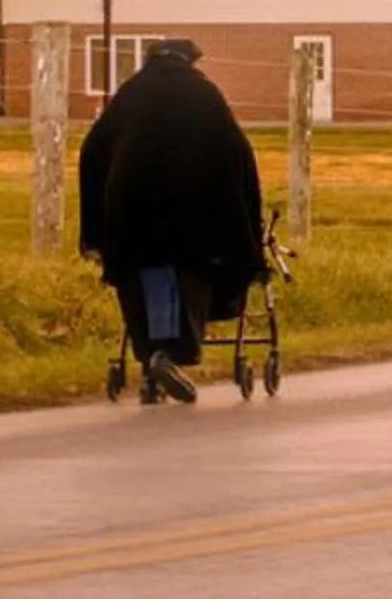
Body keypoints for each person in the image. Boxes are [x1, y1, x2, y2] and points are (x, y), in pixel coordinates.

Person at [78, 39, 264, 405]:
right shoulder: (203, 93)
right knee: (187, 279)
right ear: (190, 61)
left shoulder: (129, 95)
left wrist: (95, 228)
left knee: (143, 279)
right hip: (190, 215)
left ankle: (152, 362)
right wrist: (241, 220)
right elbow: (236, 151)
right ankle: (169, 356)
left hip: (130, 211)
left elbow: (93, 150)